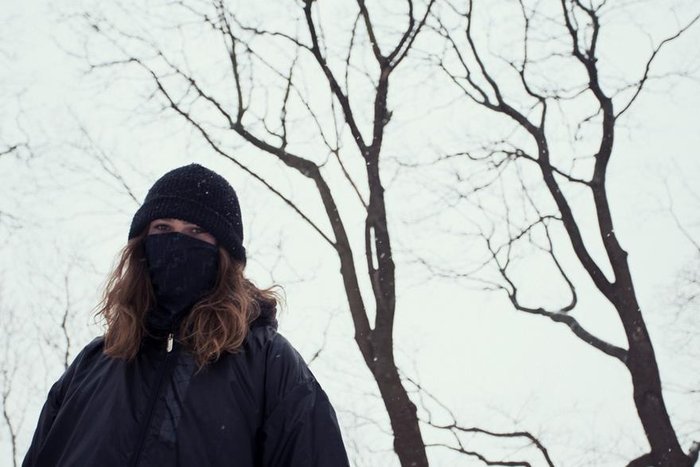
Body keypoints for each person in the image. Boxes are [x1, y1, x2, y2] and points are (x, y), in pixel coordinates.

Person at [22, 164, 350, 467]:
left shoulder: (269, 364)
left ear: (224, 254)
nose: (176, 241)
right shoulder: (93, 365)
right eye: (163, 227)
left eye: (195, 231)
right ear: (141, 246)